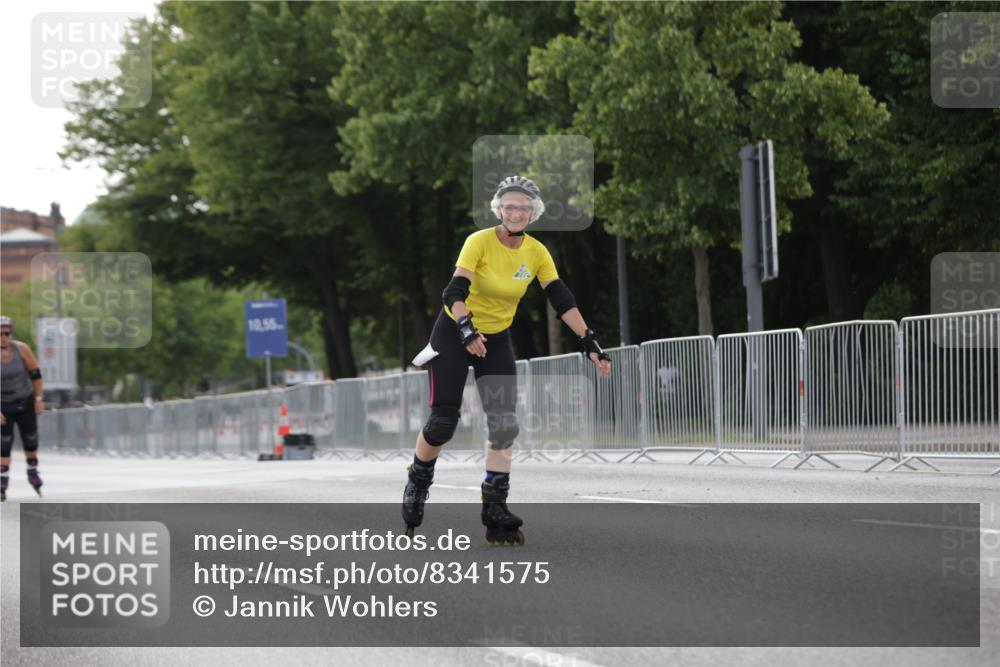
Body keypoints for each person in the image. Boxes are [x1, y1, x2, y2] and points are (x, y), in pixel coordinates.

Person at [402, 175, 612, 545]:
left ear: (533, 213)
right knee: (443, 422)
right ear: (499, 209)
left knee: (503, 425)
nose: (516, 212)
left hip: (496, 338)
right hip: (455, 332)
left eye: (523, 207)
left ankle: (494, 508)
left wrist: (588, 341)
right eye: (509, 206)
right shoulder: (478, 241)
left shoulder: (536, 252)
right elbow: (454, 291)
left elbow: (561, 299)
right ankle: (418, 480)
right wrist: (467, 330)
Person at [1, 316, 45, 500]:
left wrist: (39, 398)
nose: (3, 337)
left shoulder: (22, 349)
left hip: (25, 401)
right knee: (4, 443)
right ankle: (2, 480)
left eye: (7, 333)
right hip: (3, 405)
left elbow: (35, 374)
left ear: (11, 334)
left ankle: (32, 470)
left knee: (30, 439)